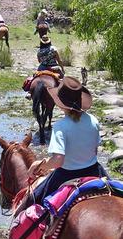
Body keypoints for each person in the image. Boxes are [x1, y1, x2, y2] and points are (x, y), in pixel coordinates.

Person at [26, 76, 108, 206]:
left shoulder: (60, 126)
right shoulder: (93, 120)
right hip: (94, 171)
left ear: (60, 103)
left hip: (67, 175)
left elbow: (58, 160)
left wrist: (39, 165)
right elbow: (94, 150)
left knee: (34, 200)